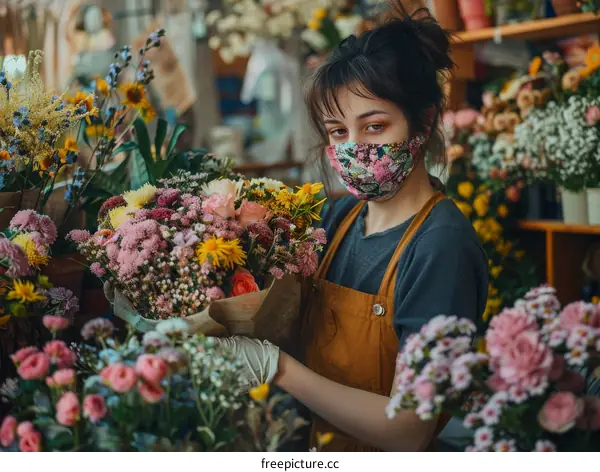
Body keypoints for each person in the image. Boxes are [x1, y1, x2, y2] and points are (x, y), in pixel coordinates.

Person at [106, 1, 489, 453]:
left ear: (423, 122)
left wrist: (277, 368)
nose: (354, 148)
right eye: (338, 132)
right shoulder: (337, 219)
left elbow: (408, 430)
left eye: (375, 126)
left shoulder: (439, 248)